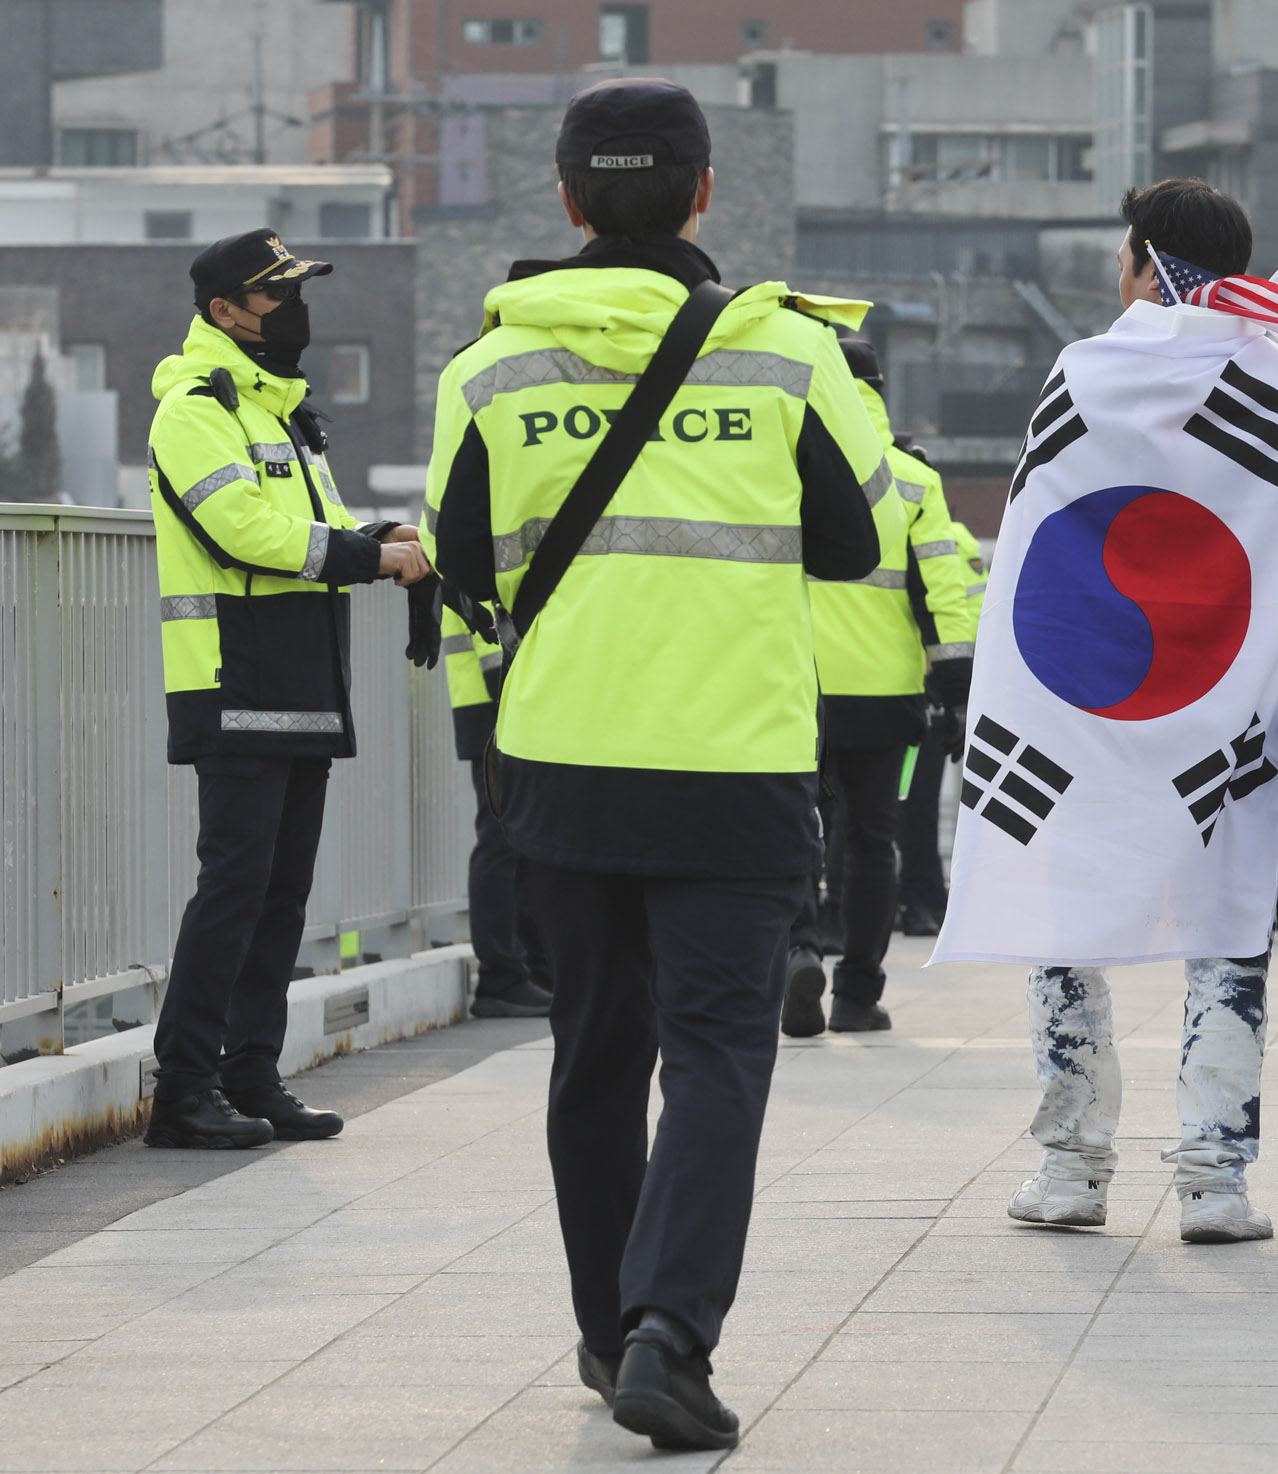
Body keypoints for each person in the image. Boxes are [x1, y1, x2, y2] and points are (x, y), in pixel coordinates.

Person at [422, 79, 884, 1451]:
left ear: (565, 201)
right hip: (732, 765)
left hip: (559, 761)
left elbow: (456, 566)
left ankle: (609, 1326)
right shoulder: (788, 357)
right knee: (720, 1051)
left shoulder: (487, 366)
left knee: (595, 1048)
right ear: (702, 195)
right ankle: (672, 1336)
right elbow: (855, 547)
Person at [984, 180, 1278, 1244]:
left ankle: (1071, 1165)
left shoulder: (1082, 374)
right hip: (1234, 712)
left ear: (1139, 261)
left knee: (1064, 925)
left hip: (1079, 708)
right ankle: (1214, 1179)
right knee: (1225, 934)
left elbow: (1033, 545)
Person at [142, 230, 431, 1151]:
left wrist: (389, 537)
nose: (293, 311)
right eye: (276, 296)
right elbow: (242, 531)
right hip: (233, 677)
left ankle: (250, 1075)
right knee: (232, 888)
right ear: (224, 311)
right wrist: (363, 555)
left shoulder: (279, 412)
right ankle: (183, 1090)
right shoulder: (195, 407)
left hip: (300, 673)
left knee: (280, 892)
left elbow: (320, 524)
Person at [781, 338, 974, 1037]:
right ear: (879, 392)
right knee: (872, 841)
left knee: (796, 830)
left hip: (790, 687)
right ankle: (857, 994)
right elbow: (943, 597)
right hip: (886, 696)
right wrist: (954, 692)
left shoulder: (782, 469)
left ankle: (799, 949)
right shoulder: (914, 481)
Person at [439, 603, 552, 1017]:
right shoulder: (484, 542)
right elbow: (493, 635)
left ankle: (531, 970)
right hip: (500, 699)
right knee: (502, 840)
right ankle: (502, 977)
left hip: (500, 699)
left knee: (522, 842)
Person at [896, 510, 985, 936]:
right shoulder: (954, 541)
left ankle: (920, 898)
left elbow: (968, 614)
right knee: (913, 806)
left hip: (917, 689)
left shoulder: (952, 540)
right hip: (922, 689)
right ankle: (921, 898)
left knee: (911, 805)